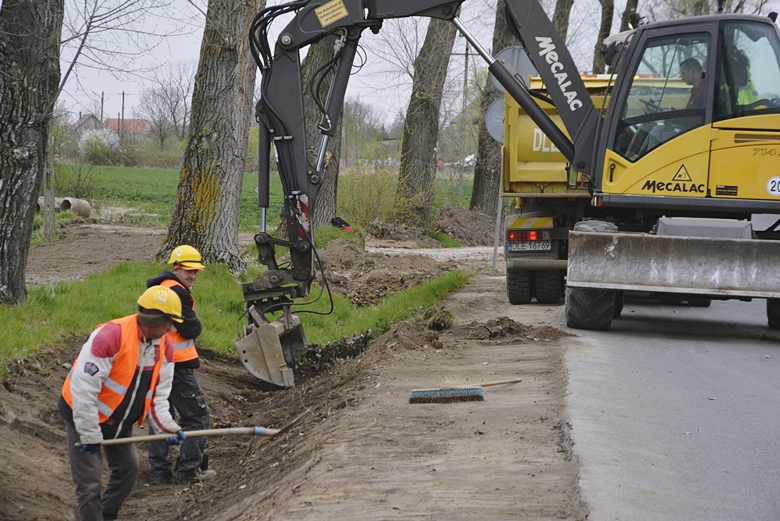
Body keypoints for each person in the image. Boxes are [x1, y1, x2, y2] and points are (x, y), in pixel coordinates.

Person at [59, 285, 186, 521]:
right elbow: (83, 389)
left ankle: (106, 515)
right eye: (169, 322)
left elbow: (159, 395)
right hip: (84, 416)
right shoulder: (110, 336)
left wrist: (166, 427)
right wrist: (88, 432)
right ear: (153, 319)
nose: (171, 328)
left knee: (128, 469)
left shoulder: (164, 347)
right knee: (89, 483)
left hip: (120, 422)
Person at [146, 245, 216, 484]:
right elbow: (191, 327)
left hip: (154, 363)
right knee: (197, 417)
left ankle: (158, 472)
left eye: (196, 271)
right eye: (188, 271)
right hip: (177, 366)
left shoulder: (159, 289)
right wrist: (196, 328)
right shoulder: (179, 293)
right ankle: (188, 472)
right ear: (176, 267)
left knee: (160, 416)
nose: (193, 276)